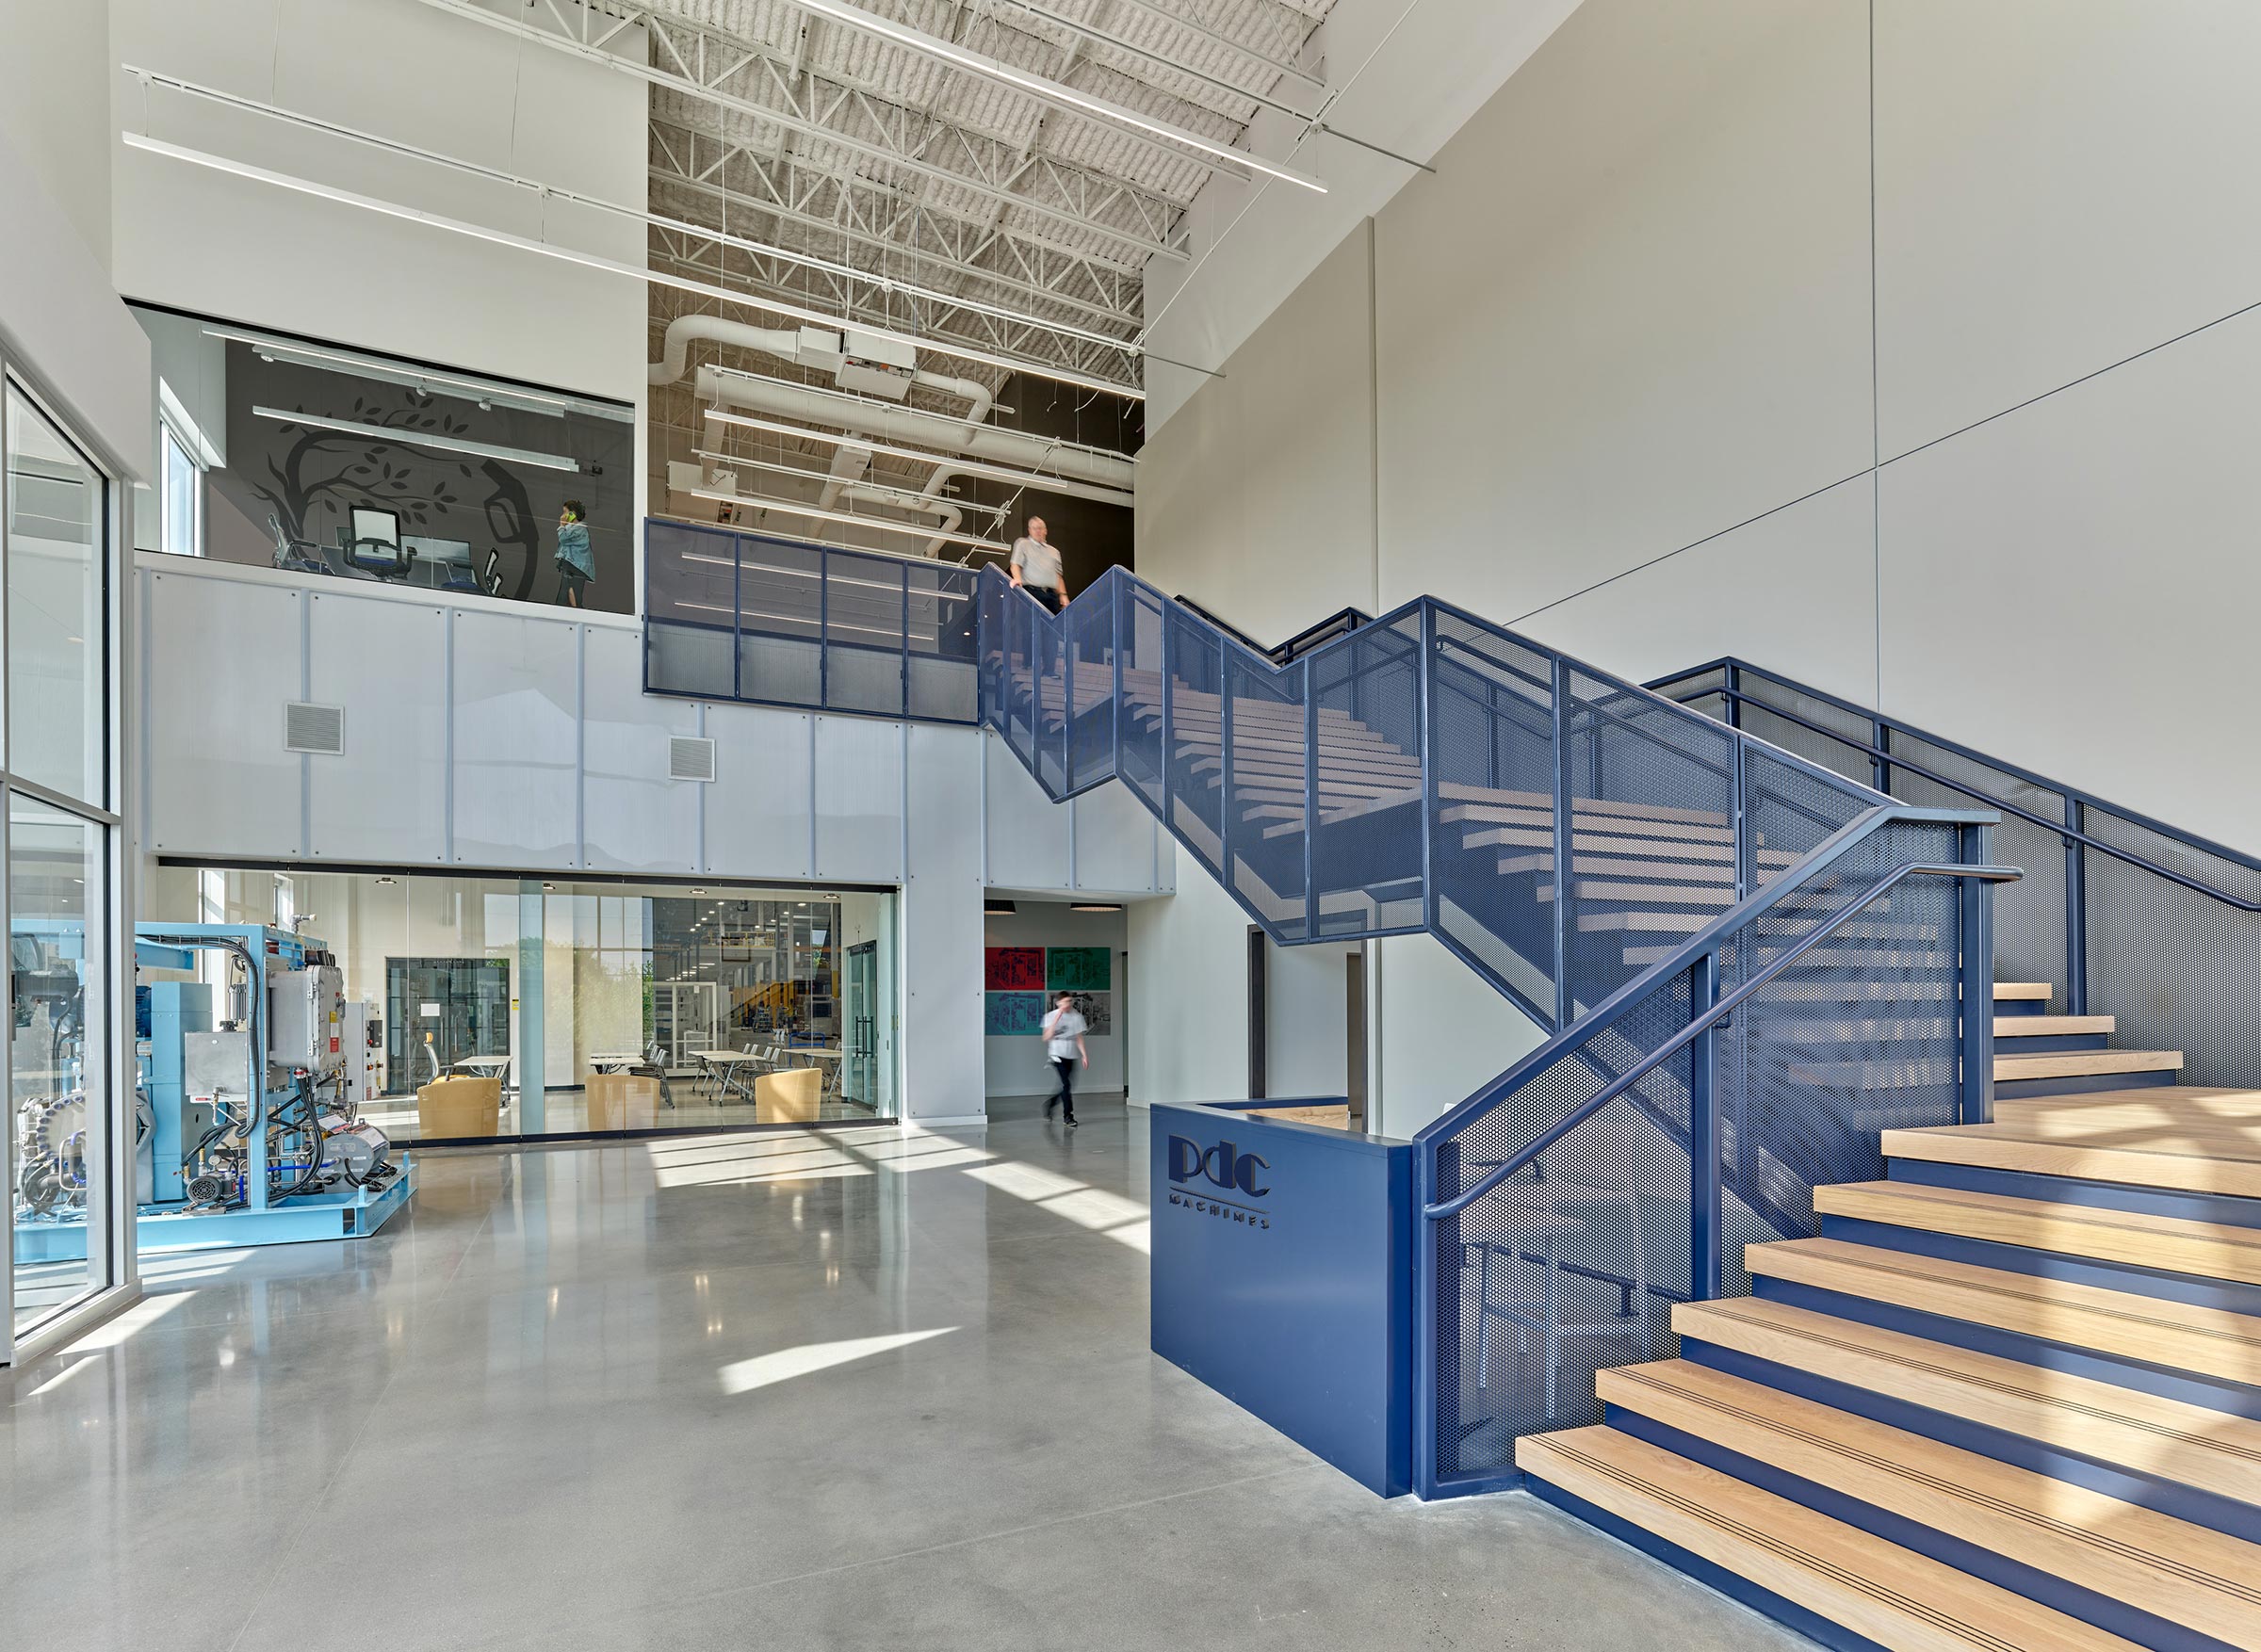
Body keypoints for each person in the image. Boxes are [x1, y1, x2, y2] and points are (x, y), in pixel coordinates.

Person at [1041, 990, 1087, 1126]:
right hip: (1057, 1056)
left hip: (1071, 1055)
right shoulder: (1050, 1016)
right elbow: (1046, 1037)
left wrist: (1084, 1055)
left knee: (1066, 1087)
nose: (1068, 1004)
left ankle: (1049, 1104)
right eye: (1065, 1002)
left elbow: (1079, 1038)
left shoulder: (1077, 1017)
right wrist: (1056, 1019)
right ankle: (1068, 1117)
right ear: (1058, 1003)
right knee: (1066, 1085)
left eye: (1070, 1001)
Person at [1008, 515, 1066, 614]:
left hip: (1051, 596)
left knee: (1053, 622)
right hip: (1031, 593)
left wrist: (1063, 595)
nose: (1038, 531)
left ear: (1045, 531)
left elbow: (1058, 576)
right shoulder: (1022, 544)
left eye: (1040, 528)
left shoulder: (1054, 552)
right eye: (1034, 528)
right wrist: (1017, 578)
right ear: (1029, 530)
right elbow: (1015, 564)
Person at [554, 500, 593, 607]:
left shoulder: (580, 529)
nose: (563, 515)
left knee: (572, 592)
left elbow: (563, 539)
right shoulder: (571, 529)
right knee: (567, 591)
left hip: (575, 566)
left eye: (565, 512)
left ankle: (575, 609)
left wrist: (562, 525)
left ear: (573, 513)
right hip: (570, 565)